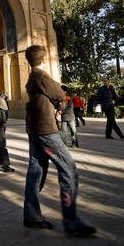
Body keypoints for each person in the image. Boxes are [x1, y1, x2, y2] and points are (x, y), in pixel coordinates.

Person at [23, 45, 96, 235]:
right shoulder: (40, 75)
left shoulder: (32, 77)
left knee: (35, 171)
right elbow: (60, 94)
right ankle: (71, 221)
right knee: (69, 169)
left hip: (35, 129)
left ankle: (32, 216)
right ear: (44, 60)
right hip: (46, 130)